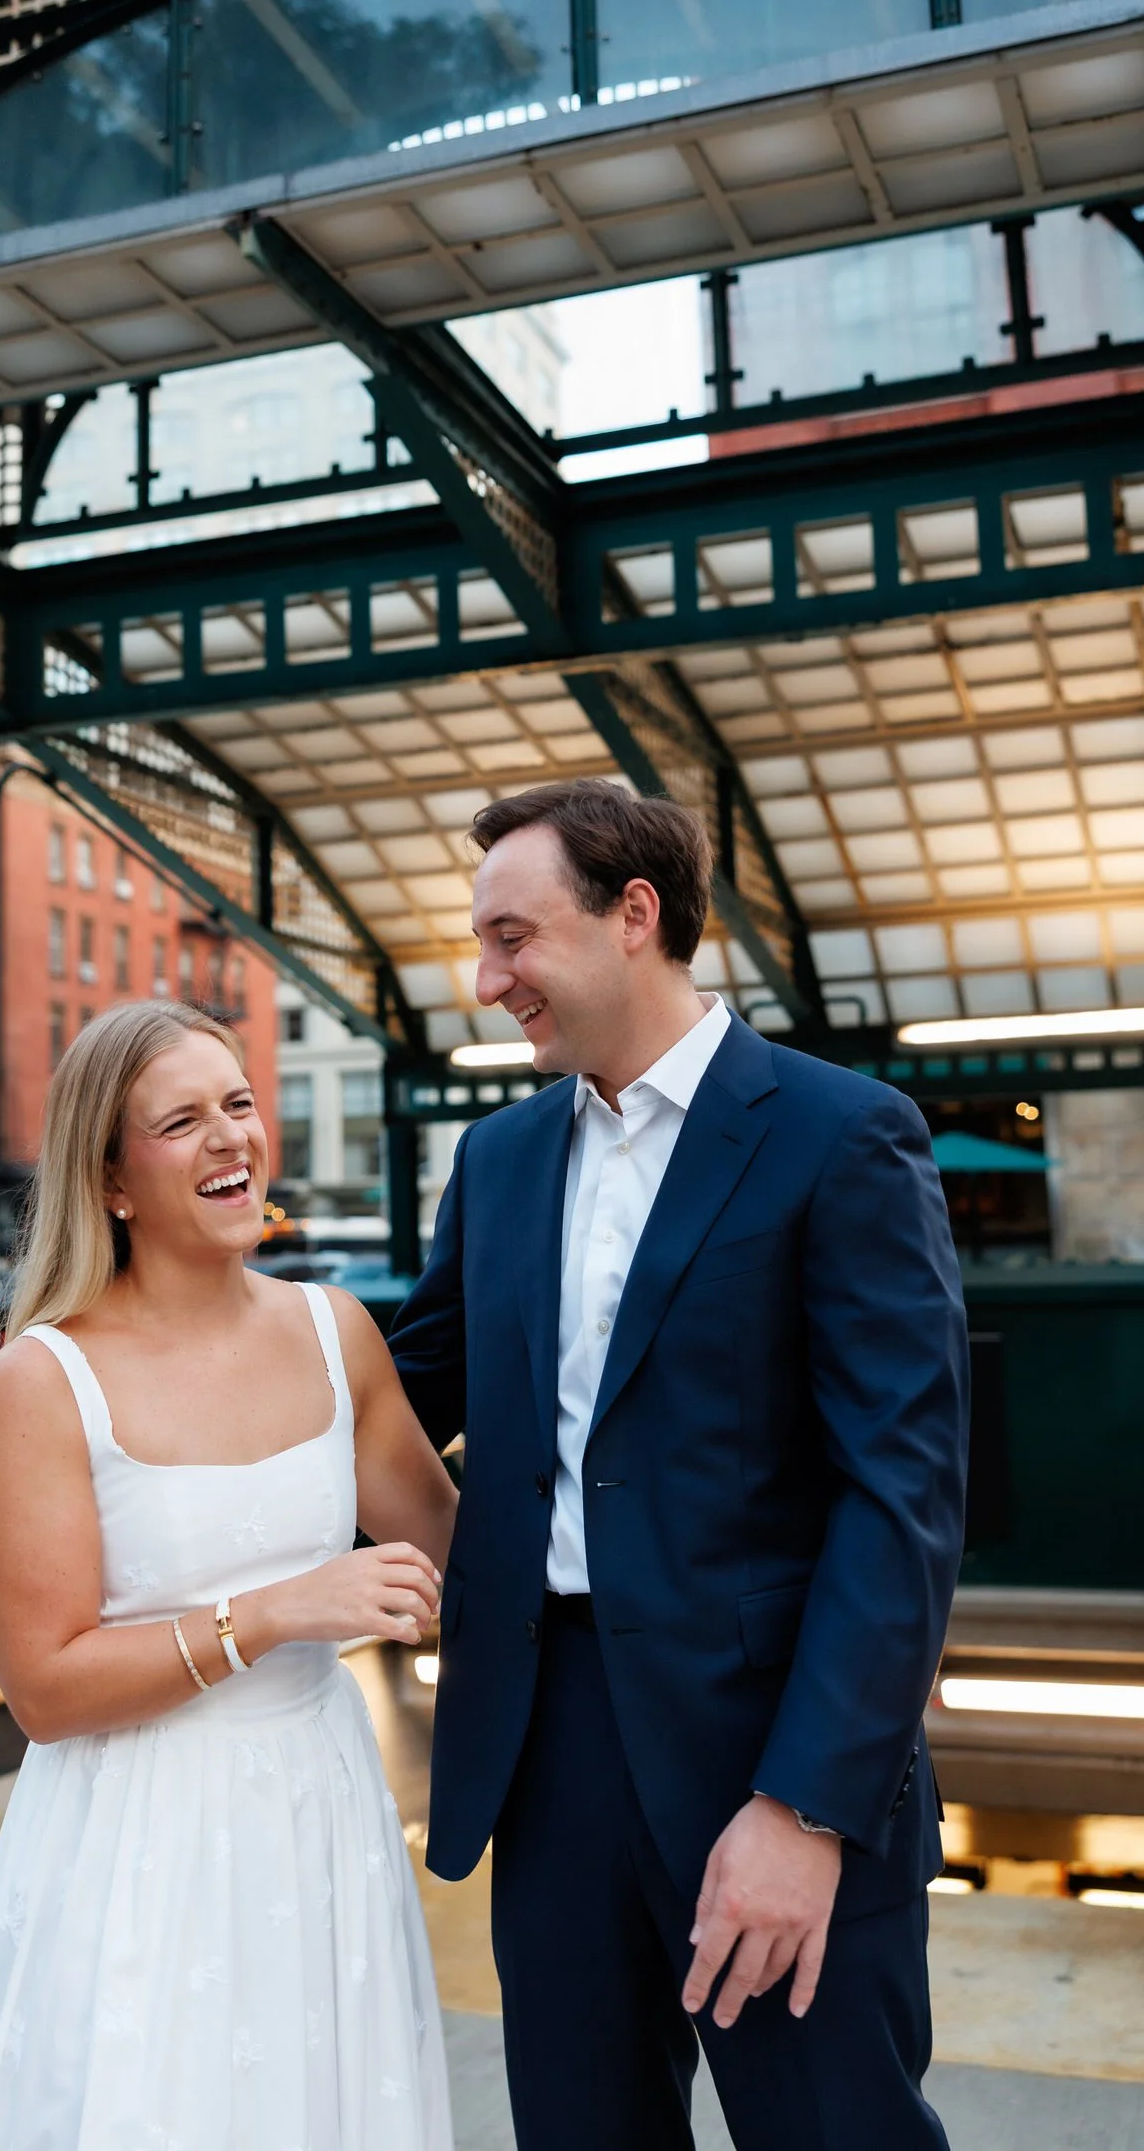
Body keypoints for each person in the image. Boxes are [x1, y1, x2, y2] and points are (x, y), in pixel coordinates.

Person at [391, 780, 969, 2151]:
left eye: (511, 939)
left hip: (769, 1747)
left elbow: (902, 1498)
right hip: (544, 1748)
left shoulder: (841, 1133)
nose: (486, 983)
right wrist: (146, 1360)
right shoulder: (498, 1157)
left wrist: (804, 1807)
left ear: (633, 916)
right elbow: (394, 1389)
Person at [0, 998, 457, 2151]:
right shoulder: (45, 1376)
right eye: (181, 1121)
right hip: (138, 1831)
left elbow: (453, 1546)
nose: (231, 1136)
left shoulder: (336, 1332)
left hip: (320, 1805)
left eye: (236, 1103)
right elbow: (43, 1685)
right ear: (114, 1179)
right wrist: (276, 1611)